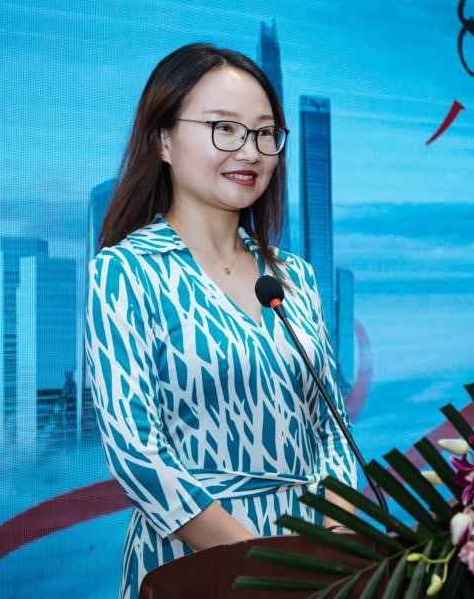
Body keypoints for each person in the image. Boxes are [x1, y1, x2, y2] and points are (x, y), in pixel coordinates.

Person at [85, 42, 356, 598]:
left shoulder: (294, 277)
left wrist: (332, 547)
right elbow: (136, 454)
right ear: (163, 139)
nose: (250, 151)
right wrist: (260, 568)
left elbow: (333, 429)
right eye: (224, 128)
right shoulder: (124, 272)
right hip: (196, 562)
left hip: (313, 562)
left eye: (264, 133)